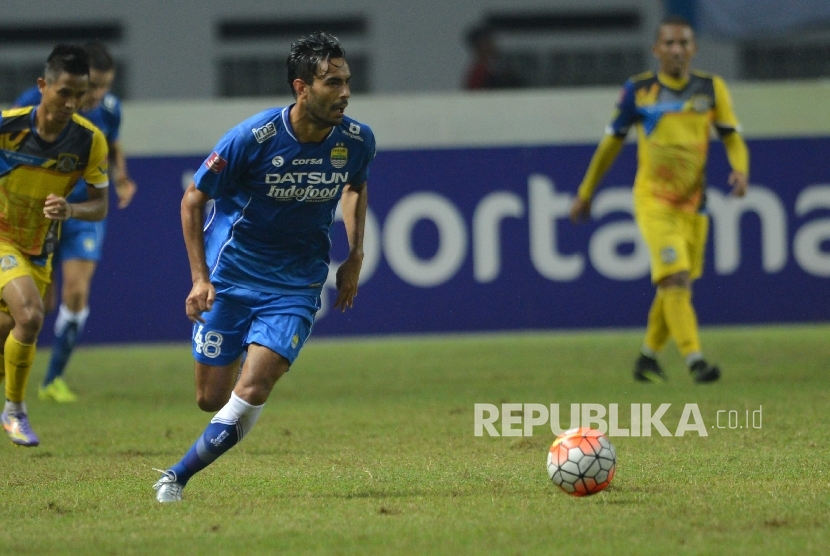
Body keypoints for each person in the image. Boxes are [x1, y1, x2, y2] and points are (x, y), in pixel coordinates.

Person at [153, 31, 375, 502]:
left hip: (297, 283)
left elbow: (355, 186)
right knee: (210, 399)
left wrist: (354, 255)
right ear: (301, 88)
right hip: (231, 278)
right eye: (332, 83)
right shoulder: (253, 138)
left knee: (256, 383)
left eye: (347, 81)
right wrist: (199, 277)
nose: (346, 93)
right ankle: (237, 369)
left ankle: (176, 476)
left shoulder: (356, 140)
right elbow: (193, 198)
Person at [569, 16, 749, 384]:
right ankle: (695, 361)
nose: (677, 50)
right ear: (656, 49)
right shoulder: (639, 91)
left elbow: (731, 136)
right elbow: (610, 145)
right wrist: (586, 192)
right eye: (669, 43)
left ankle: (647, 358)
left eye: (683, 43)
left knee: (674, 287)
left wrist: (740, 169)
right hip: (654, 201)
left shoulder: (711, 88)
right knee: (676, 280)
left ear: (694, 48)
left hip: (694, 205)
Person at [13, 42, 137, 403]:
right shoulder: (31, 102)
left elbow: (112, 146)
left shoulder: (110, 110)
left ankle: (52, 380)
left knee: (77, 292)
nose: (97, 95)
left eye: (104, 86)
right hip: (41, 211)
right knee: (40, 304)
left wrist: (122, 178)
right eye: (93, 85)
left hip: (83, 211)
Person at [0, 45, 109, 446]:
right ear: (43, 86)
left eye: (79, 95)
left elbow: (99, 206)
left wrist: (70, 210)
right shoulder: (7, 127)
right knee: (29, 316)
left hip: (38, 249)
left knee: (11, 329)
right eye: (64, 92)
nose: (72, 103)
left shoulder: (88, 141)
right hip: (1, 237)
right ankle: (15, 412)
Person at [463, 25, 523, 90]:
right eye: (487, 42)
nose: (492, 44)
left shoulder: (496, 67)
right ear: (479, 46)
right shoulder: (479, 72)